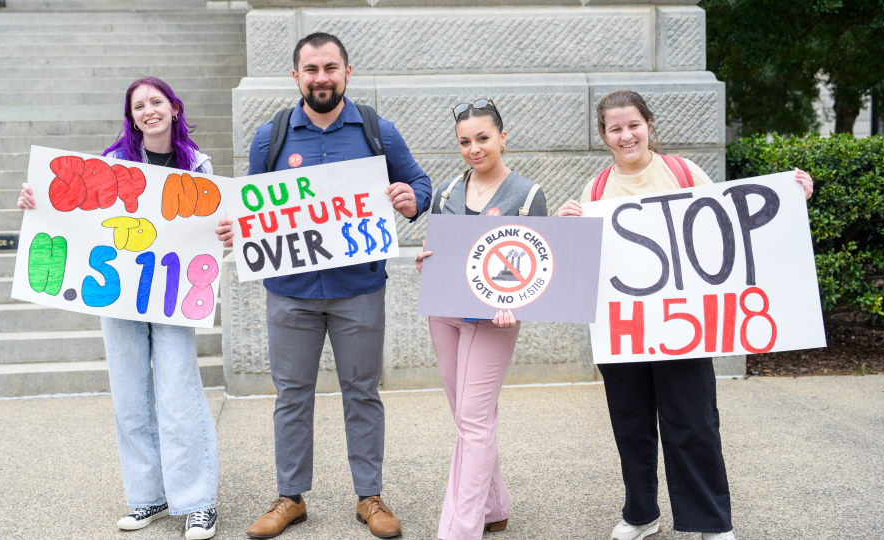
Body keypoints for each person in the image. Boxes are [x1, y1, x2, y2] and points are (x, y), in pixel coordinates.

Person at [557, 89, 813, 540]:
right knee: (631, 426)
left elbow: (730, 229)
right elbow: (585, 265)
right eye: (615, 128)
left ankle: (710, 521)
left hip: (684, 325)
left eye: (633, 125)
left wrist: (792, 199)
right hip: (625, 329)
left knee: (694, 422)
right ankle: (641, 515)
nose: (626, 135)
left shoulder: (682, 172)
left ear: (648, 125)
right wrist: (570, 230)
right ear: (604, 135)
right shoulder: (595, 190)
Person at [214, 33, 432, 539]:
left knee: (363, 393)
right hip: (290, 293)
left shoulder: (378, 131)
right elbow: (251, 207)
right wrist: (236, 227)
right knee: (292, 396)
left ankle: (369, 496)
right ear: (296, 77)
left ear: (347, 72)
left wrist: (410, 198)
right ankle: (290, 498)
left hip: (359, 290)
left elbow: (420, 184)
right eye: (311, 70)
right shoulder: (270, 137)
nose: (321, 78)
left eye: (330, 68)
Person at [17, 76, 220, 540]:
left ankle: (197, 503)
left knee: (179, 397)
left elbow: (209, 229)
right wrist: (35, 202)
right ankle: (148, 495)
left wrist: (223, 231)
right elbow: (74, 213)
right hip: (119, 293)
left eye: (156, 102)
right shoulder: (111, 164)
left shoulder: (198, 165)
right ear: (131, 117)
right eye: (138, 106)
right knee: (130, 398)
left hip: (170, 295)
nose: (149, 111)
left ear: (174, 108)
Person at [415, 99, 547, 540]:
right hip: (445, 313)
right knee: (469, 417)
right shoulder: (447, 191)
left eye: (483, 138)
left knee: (473, 421)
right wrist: (425, 262)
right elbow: (439, 247)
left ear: (502, 138)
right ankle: (494, 506)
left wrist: (520, 305)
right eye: (464, 141)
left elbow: (540, 268)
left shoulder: (527, 195)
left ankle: (459, 530)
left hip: (494, 321)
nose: (474, 149)